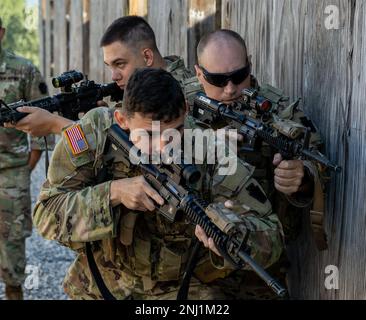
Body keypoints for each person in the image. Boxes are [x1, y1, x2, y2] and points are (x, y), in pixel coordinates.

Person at [32, 67, 284, 300]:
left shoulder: (210, 151)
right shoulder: (94, 134)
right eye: (149, 135)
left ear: (185, 110)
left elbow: (273, 234)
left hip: (183, 284)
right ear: (121, 120)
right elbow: (45, 215)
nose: (164, 147)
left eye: (173, 131)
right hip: (106, 278)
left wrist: (234, 231)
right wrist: (112, 193)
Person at [183, 29, 328, 298]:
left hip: (257, 265)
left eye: (239, 76)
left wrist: (303, 178)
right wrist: (202, 143)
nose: (230, 88)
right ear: (199, 73)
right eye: (217, 79)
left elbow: (318, 163)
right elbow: (144, 143)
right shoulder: (178, 102)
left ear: (250, 63)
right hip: (188, 266)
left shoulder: (278, 109)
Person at [4, 16, 194, 137]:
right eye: (109, 66)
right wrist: (98, 118)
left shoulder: (186, 92)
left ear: (147, 56)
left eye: (120, 64)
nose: (113, 76)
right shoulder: (129, 91)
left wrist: (56, 124)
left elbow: (136, 147)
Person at [0, 17, 54, 299]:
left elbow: (45, 119)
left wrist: (27, 167)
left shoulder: (23, 70)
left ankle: (13, 291)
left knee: (11, 240)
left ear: (1, 33)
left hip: (11, 170)